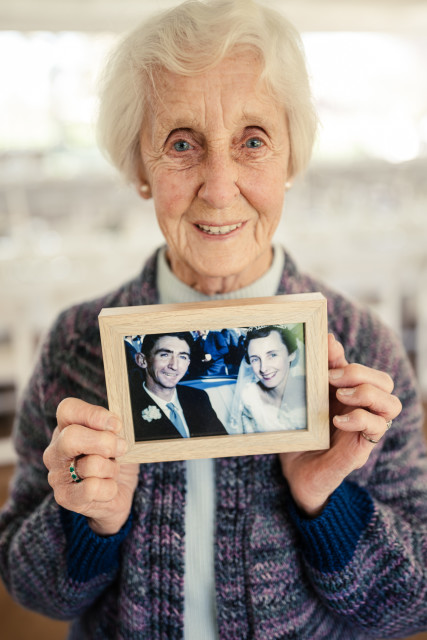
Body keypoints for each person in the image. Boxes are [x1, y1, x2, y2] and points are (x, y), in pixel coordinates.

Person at [0, 1, 425, 638]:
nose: (220, 188)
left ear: (290, 159)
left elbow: (410, 604)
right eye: (181, 144)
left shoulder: (364, 347)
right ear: (140, 168)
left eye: (253, 141)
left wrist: (325, 499)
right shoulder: (76, 345)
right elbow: (33, 591)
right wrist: (90, 520)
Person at [129, 332, 227, 440]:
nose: (174, 366)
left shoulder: (198, 397)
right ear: (142, 360)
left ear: (188, 363)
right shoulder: (128, 409)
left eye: (182, 357)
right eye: (164, 355)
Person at [229, 325, 306, 433]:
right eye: (255, 359)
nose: (263, 368)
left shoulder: (310, 390)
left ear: (291, 354)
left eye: (272, 355)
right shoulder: (250, 395)